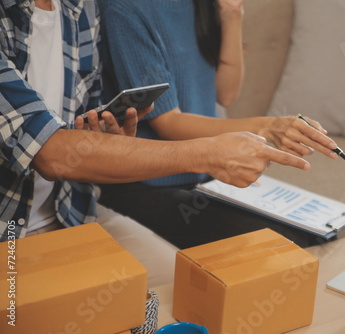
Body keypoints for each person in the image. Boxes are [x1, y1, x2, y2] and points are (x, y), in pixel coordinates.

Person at [0, 0, 314, 286]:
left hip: (74, 211)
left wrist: (109, 144)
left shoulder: (80, 10)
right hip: (11, 229)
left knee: (183, 293)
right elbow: (52, 154)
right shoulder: (121, 9)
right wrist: (220, 149)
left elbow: (225, 94)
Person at [97, 0, 340, 249]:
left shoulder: (202, 4)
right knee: (284, 243)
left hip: (207, 175)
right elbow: (167, 122)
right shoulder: (123, 10)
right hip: (147, 183)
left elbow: (226, 93)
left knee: (318, 234)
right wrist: (268, 126)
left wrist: (233, 14)